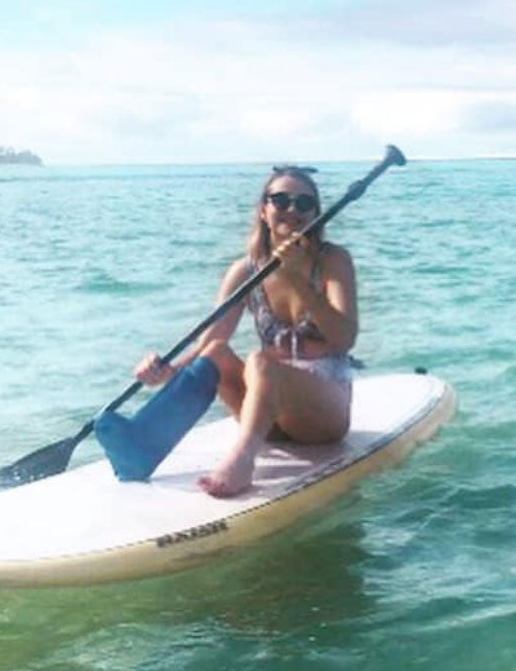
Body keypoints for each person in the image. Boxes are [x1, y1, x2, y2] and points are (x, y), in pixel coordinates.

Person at [134, 165, 358, 498]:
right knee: (215, 354)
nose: (292, 210)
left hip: (323, 413)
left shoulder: (333, 260)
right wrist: (166, 370)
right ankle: (147, 438)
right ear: (263, 210)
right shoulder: (245, 270)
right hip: (269, 413)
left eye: (303, 203)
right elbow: (212, 339)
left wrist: (296, 280)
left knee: (260, 362)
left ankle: (242, 459)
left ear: (315, 213)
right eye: (280, 200)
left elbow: (344, 338)